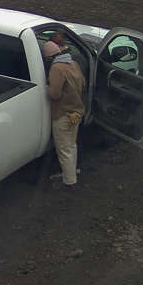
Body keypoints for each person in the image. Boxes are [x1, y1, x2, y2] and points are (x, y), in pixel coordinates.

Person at [42, 36, 85, 186]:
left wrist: (46, 88)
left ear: (49, 57)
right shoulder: (73, 64)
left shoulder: (56, 68)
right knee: (71, 145)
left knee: (64, 150)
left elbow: (55, 94)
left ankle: (69, 181)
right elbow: (83, 84)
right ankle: (71, 172)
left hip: (62, 114)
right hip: (76, 112)